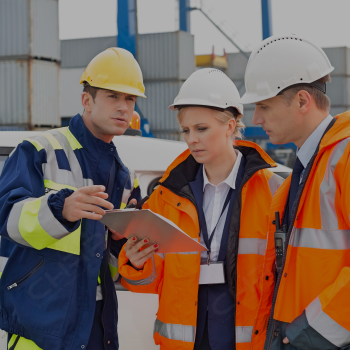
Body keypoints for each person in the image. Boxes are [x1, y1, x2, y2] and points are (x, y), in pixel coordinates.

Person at [118, 68, 284, 350]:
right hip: (187, 340)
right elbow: (147, 282)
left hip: (247, 336)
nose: (191, 139)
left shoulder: (274, 191)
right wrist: (135, 263)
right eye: (186, 130)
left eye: (201, 128)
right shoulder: (164, 197)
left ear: (230, 126)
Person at [0, 47, 145, 350]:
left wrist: (126, 247)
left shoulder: (126, 178)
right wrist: (61, 209)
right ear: (86, 100)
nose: (124, 107)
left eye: (129, 99)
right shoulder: (40, 149)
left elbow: (111, 264)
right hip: (40, 328)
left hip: (97, 324)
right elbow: (6, 214)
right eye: (113, 96)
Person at [240, 34, 350, 350]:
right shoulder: (303, 174)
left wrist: (309, 335)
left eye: (263, 106)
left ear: (302, 101)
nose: (256, 119)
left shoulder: (343, 158)